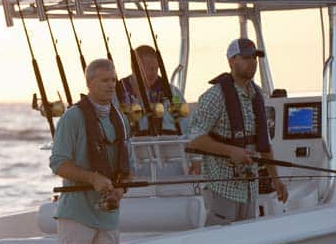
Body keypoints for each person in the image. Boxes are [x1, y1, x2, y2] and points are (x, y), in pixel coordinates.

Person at [186, 38, 288, 225]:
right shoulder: (215, 96)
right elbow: (195, 139)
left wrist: (277, 180)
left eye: (255, 58)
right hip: (223, 189)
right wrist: (232, 151)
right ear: (231, 61)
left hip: (250, 189)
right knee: (219, 243)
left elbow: (265, 144)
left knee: (245, 241)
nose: (252, 62)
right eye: (246, 57)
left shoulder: (257, 95)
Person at [49, 58, 132, 244]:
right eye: (105, 80)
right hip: (77, 217)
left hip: (109, 219)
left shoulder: (121, 119)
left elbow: (130, 167)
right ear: (89, 83)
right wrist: (93, 178)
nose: (111, 85)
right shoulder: (72, 118)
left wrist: (120, 191)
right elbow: (58, 164)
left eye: (113, 80)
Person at [117, 45, 186, 136]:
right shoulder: (118, 91)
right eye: (149, 69)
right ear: (133, 68)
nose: (153, 73)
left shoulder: (172, 92)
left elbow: (185, 121)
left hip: (167, 145)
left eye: (156, 68)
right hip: (131, 147)